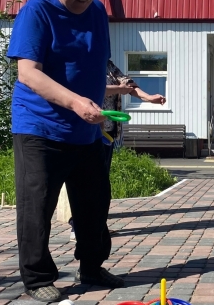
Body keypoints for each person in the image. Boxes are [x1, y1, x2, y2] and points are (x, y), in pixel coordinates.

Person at [8, 0, 123, 302]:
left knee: (94, 202)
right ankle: (38, 278)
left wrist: (109, 94)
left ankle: (91, 266)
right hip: (40, 126)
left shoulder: (98, 12)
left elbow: (92, 66)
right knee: (37, 204)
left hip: (85, 127)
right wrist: (75, 102)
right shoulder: (37, 11)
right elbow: (27, 73)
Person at [67, 61, 166, 240]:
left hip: (108, 133)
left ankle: (97, 226)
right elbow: (92, 89)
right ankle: (78, 226)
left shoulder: (108, 65)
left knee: (101, 183)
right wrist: (118, 89)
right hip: (90, 131)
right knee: (87, 181)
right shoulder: (86, 63)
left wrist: (148, 97)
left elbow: (128, 85)